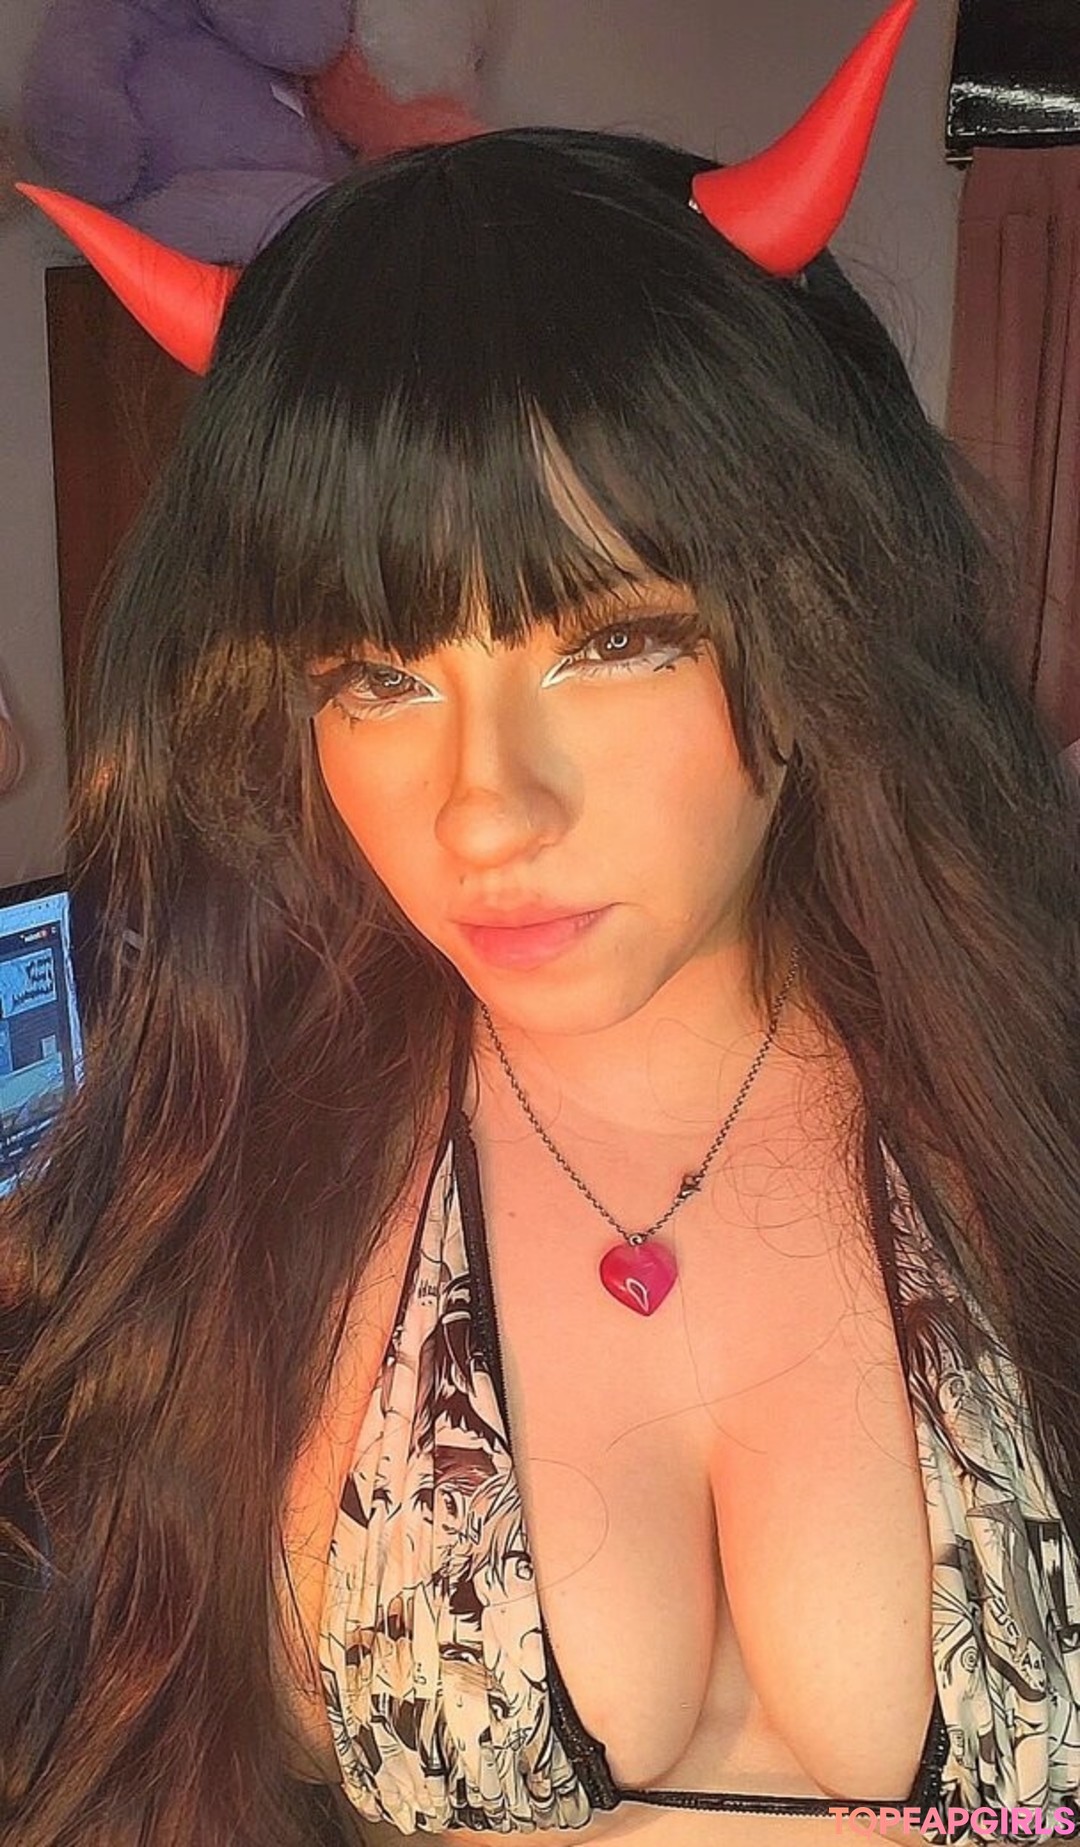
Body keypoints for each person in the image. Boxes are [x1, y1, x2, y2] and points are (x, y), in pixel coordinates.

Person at [4, 4, 1080, 1844]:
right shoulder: (232, 1169)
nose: (488, 811)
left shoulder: (1031, 1085)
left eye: (614, 639)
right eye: (376, 676)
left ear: (821, 608)